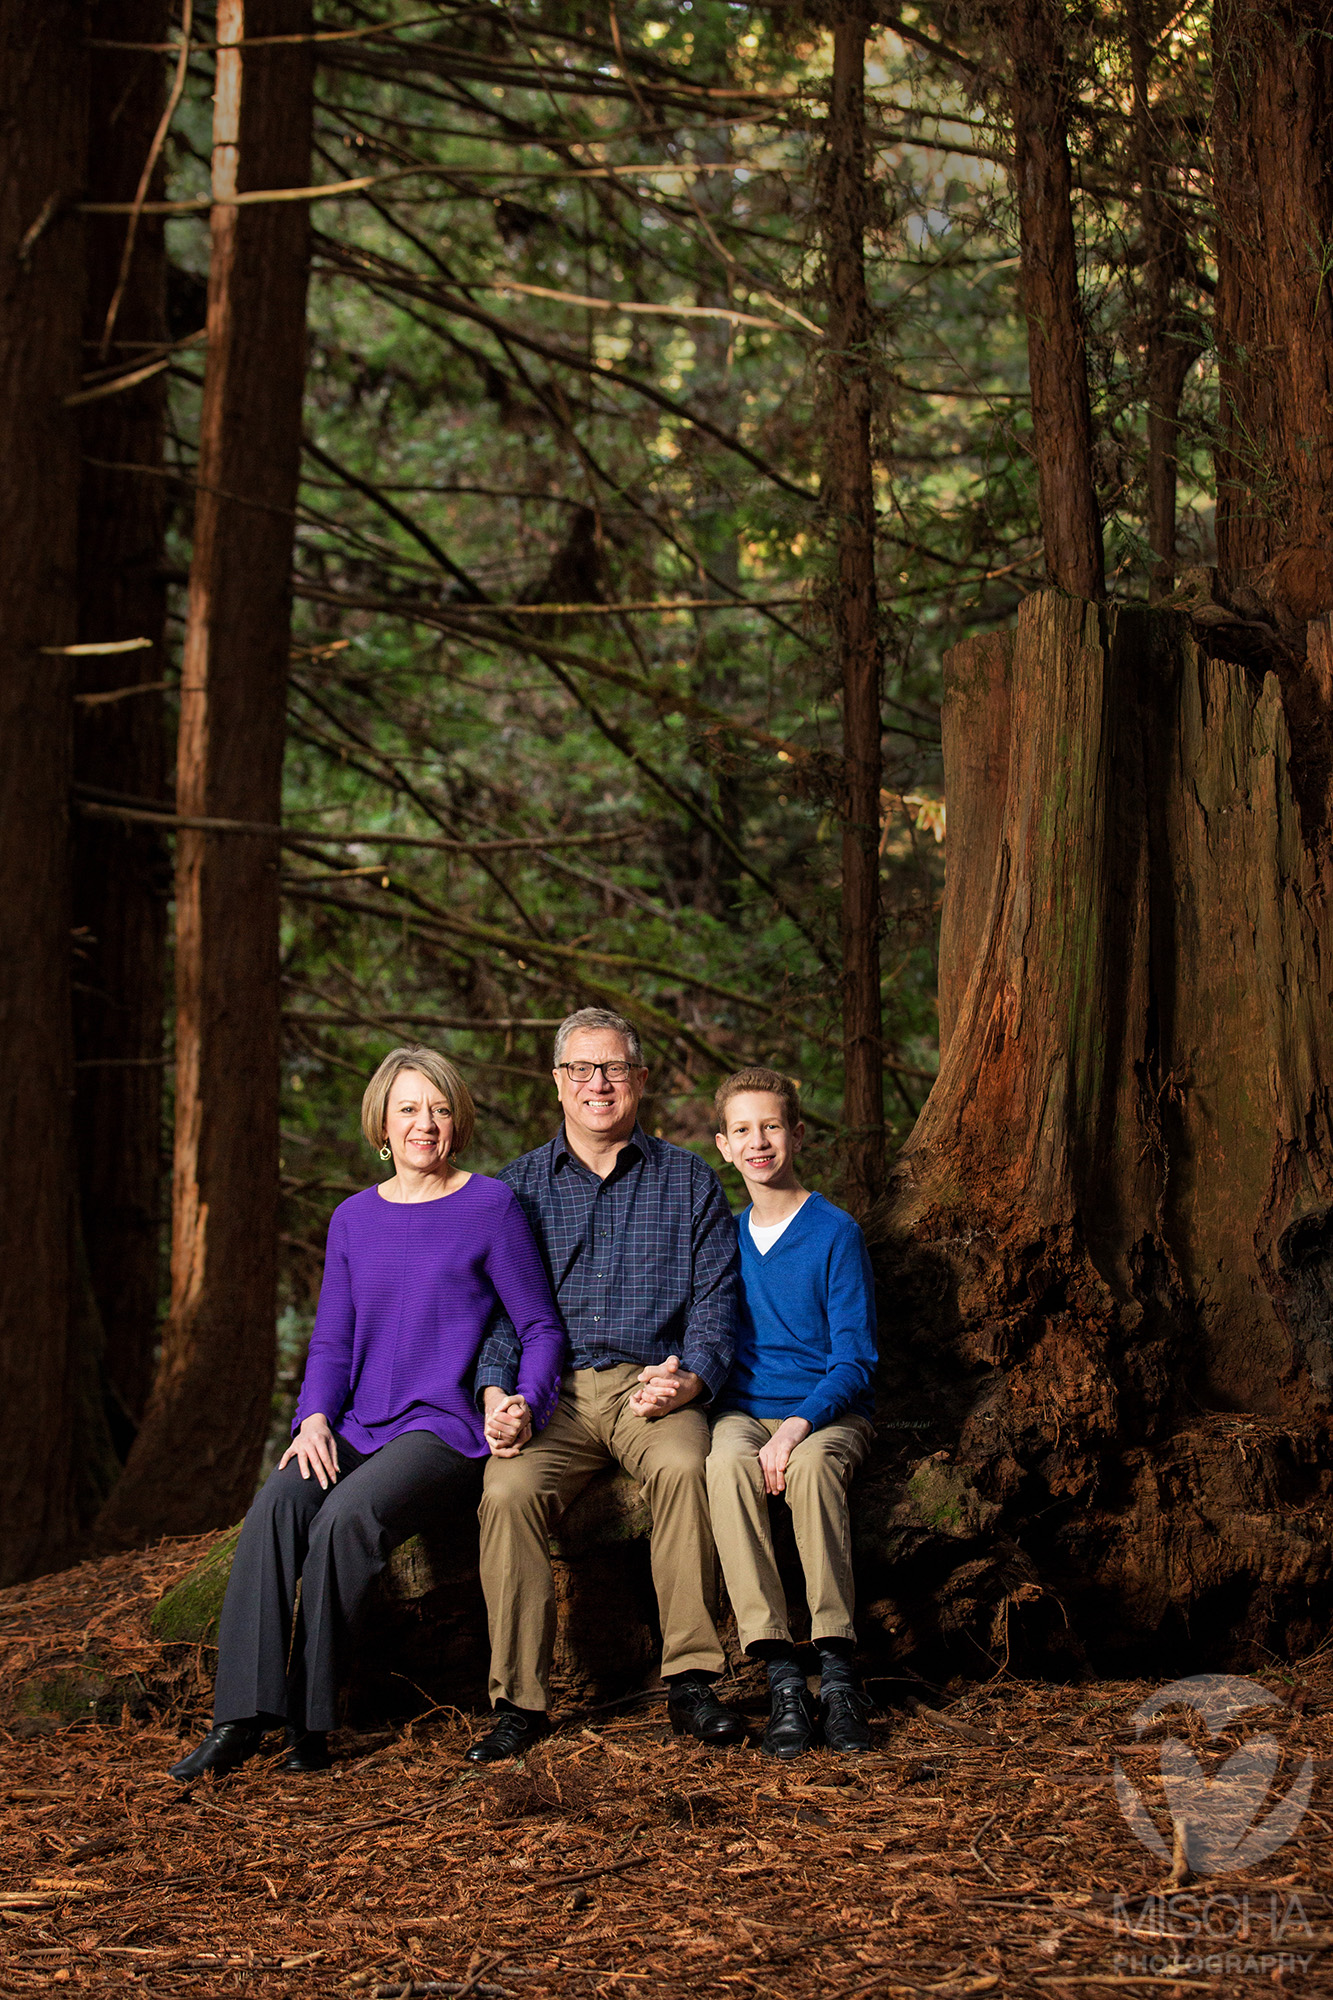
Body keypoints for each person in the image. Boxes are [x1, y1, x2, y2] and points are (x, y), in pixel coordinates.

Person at [168, 1046, 565, 1782]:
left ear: (459, 1121)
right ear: (382, 1122)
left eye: (441, 1109)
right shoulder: (353, 1218)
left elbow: (539, 1326)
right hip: (356, 1424)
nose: (426, 1123)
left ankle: (310, 1721)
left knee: (346, 1519)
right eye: (410, 1108)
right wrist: (312, 1416)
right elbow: (333, 1337)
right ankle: (239, 1718)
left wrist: (524, 1402)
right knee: (279, 1504)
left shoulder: (490, 1206)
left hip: (442, 1428)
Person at [468, 1007, 744, 1761]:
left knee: (687, 1466)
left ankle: (690, 1678)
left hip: (649, 1385)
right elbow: (496, 1317)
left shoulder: (687, 1179)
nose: (599, 1083)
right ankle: (519, 1701)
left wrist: (689, 1379)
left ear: (640, 1081)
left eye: (615, 1068)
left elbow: (717, 1305)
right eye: (581, 1069)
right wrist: (497, 1395)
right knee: (505, 1492)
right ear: (557, 1083)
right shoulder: (514, 1190)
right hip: (549, 1391)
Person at [706, 1067, 877, 1759]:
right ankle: (779, 1669)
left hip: (828, 1412)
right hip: (745, 1409)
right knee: (722, 1464)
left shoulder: (835, 1232)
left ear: (796, 1134)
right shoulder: (723, 1234)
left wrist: (800, 1426)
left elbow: (855, 1358)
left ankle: (836, 1670)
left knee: (806, 1471)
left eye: (771, 1126)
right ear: (722, 1145)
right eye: (742, 1130)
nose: (758, 1141)